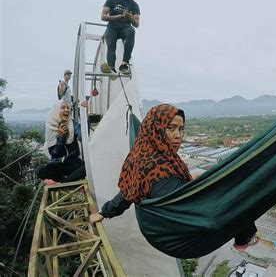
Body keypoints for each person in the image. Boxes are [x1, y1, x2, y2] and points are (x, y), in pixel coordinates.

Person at [90, 104, 260, 252]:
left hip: (170, 226)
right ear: (155, 128)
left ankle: (245, 235)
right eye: (170, 128)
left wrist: (104, 212)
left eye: (181, 129)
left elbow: (128, 192)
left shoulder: (145, 153)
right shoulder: (158, 170)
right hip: (177, 235)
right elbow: (185, 208)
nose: (178, 135)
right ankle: (245, 236)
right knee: (232, 191)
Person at [36, 100, 86, 185]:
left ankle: (63, 183)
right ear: (56, 111)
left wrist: (85, 113)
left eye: (68, 108)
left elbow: (83, 135)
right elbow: (54, 154)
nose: (67, 110)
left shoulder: (73, 124)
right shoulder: (51, 126)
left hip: (73, 164)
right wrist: (61, 137)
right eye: (63, 108)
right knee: (39, 169)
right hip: (57, 165)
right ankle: (69, 180)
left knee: (86, 167)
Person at [101, 0, 140, 75]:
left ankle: (124, 63)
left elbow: (137, 24)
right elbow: (103, 16)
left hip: (125, 28)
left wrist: (130, 17)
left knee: (131, 31)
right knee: (111, 45)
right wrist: (117, 17)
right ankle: (111, 68)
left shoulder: (134, 5)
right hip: (112, 27)